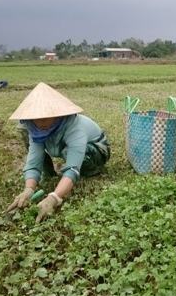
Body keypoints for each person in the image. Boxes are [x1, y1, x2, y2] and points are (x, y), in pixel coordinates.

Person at [6, 82, 110, 222]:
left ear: (58, 114)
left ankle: (92, 172)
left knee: (70, 154)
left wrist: (54, 198)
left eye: (45, 116)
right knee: (53, 152)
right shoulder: (36, 129)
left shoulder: (75, 127)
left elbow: (73, 168)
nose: (40, 121)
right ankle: (49, 173)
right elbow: (34, 160)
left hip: (97, 149)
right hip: (67, 149)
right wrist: (29, 189)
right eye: (36, 117)